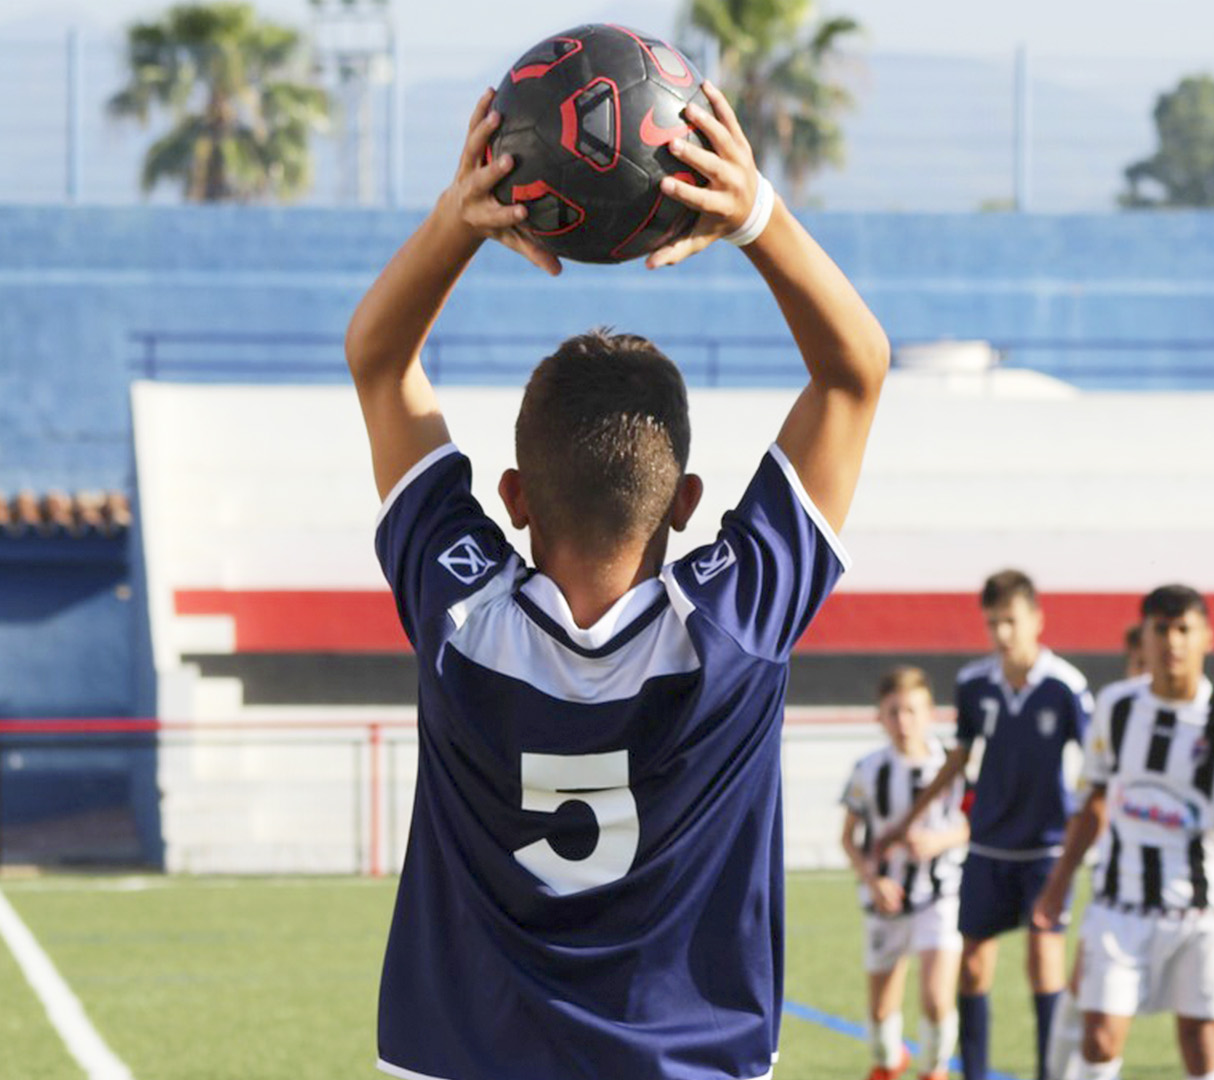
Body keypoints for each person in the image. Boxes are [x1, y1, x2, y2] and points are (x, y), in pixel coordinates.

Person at [346, 84, 888, 1080]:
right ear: (685, 501)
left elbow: (380, 363)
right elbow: (855, 372)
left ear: (512, 496)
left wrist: (460, 217)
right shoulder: (735, 626)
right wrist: (754, 215)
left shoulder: (460, 613)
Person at [1032, 585, 1214, 1080]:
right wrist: (1058, 883)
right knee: (1100, 1036)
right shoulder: (1116, 707)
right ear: (1142, 637)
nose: (1172, 642)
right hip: (1120, 903)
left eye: (1184, 629)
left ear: (1207, 637)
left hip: (1199, 911)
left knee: (1203, 1042)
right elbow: (1094, 799)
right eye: (1160, 629)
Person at [873, 569, 1091, 1080]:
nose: (1003, 634)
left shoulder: (1066, 688)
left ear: (1037, 620)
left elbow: (1097, 768)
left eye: (1011, 621)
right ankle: (972, 1071)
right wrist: (909, 818)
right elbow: (959, 759)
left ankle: (1050, 1072)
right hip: (989, 844)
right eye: (994, 623)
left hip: (1047, 847)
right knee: (972, 965)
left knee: (1043, 961)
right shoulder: (974, 684)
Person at [840, 666, 971, 1080]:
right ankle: (889, 1061)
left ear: (931, 712)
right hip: (887, 900)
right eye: (893, 712)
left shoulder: (951, 765)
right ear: (880, 717)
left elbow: (974, 823)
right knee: (880, 1014)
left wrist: (942, 841)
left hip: (940, 894)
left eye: (912, 711)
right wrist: (872, 879)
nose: (903, 722)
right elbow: (848, 837)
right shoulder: (868, 769)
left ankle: (934, 1070)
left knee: (936, 1000)